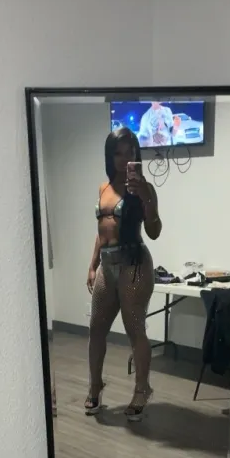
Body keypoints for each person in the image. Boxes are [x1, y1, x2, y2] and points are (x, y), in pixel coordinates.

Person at [86, 127, 162, 421]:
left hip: (134, 265)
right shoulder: (103, 188)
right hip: (107, 265)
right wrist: (92, 264)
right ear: (110, 156)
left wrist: (146, 200)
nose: (124, 158)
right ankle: (95, 386)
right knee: (96, 329)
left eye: (130, 152)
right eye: (118, 153)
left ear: (136, 154)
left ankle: (142, 389)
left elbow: (154, 231)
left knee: (134, 329)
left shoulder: (145, 189)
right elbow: (101, 231)